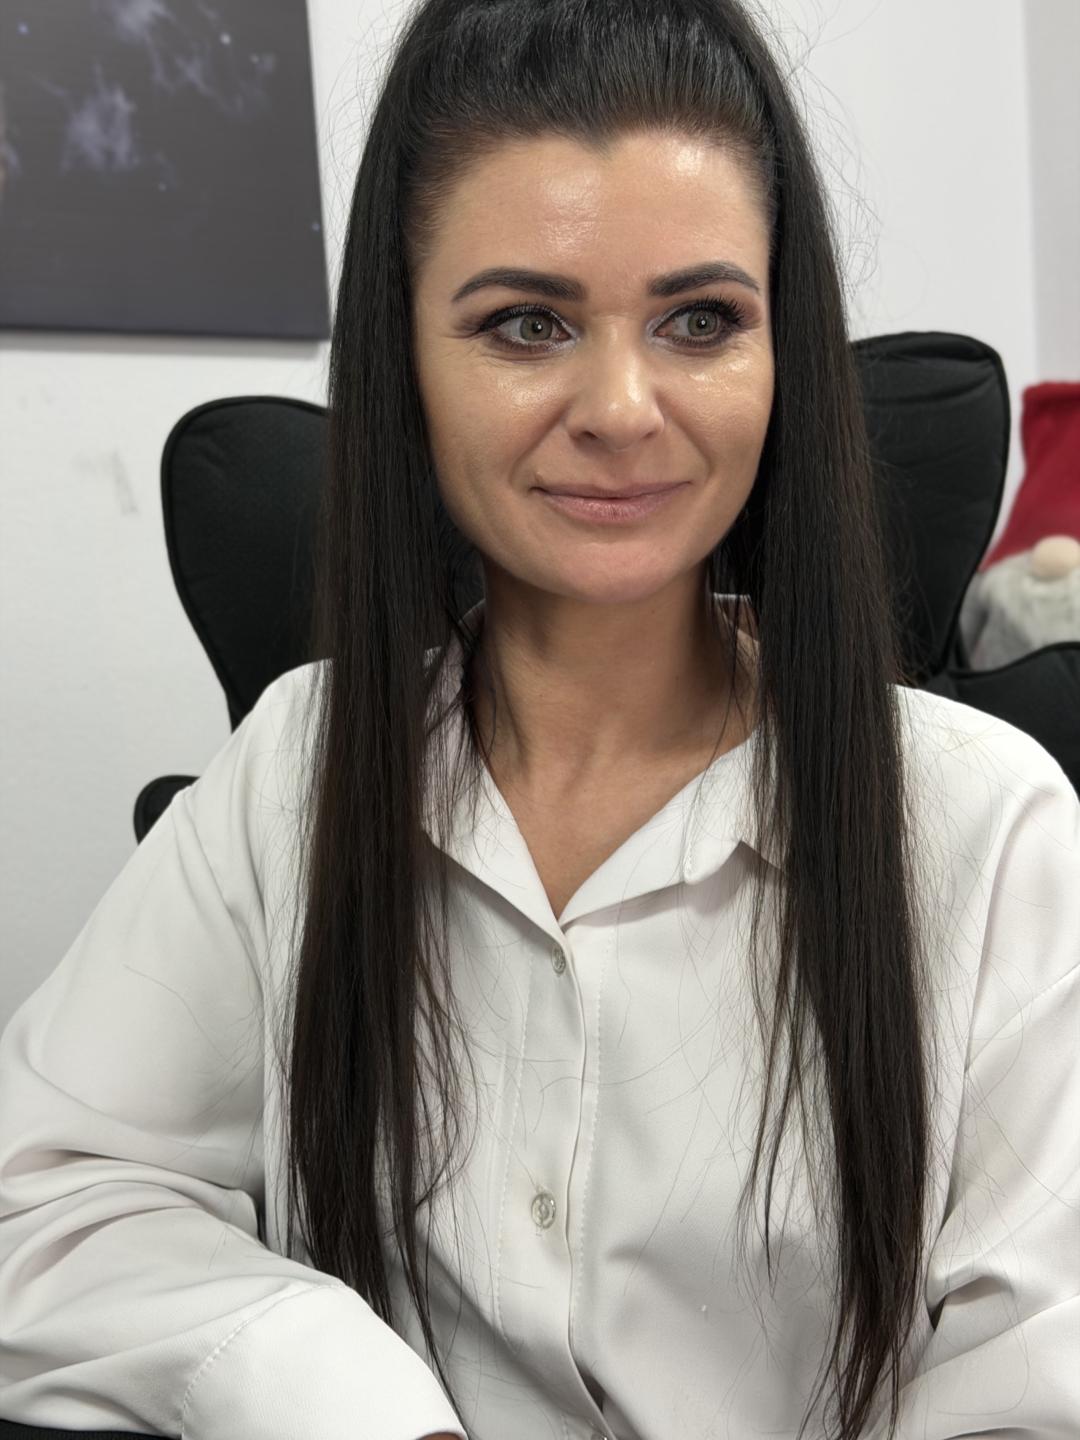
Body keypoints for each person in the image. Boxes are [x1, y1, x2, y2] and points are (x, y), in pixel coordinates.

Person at [1, 2, 1077, 1439]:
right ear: (406, 358)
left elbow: (1038, 1379)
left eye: (702, 321)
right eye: (526, 323)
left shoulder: (987, 825)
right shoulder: (296, 771)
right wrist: (339, 1394)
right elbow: (49, 1199)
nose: (622, 408)